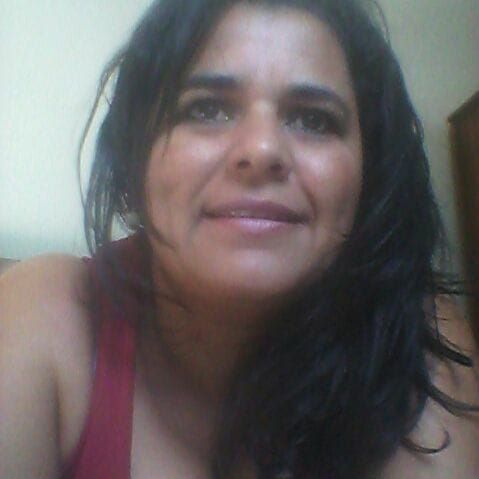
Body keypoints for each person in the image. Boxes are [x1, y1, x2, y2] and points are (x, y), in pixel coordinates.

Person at [1, 0, 478, 478]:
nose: (262, 149)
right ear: (134, 156)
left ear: (368, 174)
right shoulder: (47, 311)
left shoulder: (420, 342)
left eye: (314, 120)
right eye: (206, 109)